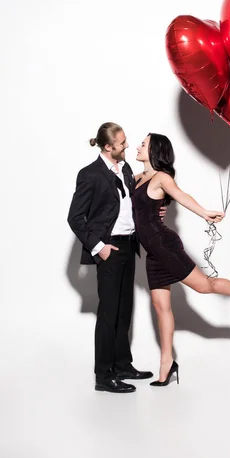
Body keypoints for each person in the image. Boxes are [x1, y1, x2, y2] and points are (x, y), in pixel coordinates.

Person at [132, 133, 230, 387]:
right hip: (152, 251)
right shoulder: (135, 179)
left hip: (164, 245)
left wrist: (204, 213)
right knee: (161, 307)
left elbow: (181, 195)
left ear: (155, 150)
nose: (138, 146)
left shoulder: (162, 178)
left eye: (143, 144)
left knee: (206, 286)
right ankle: (166, 365)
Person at [67, 122, 165, 393]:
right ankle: (103, 375)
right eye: (122, 143)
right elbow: (75, 218)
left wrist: (155, 213)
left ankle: (122, 365)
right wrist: (100, 247)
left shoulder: (125, 169)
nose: (127, 146)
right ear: (108, 147)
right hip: (108, 250)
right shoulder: (90, 174)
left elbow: (130, 205)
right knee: (108, 314)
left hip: (129, 246)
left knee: (124, 311)